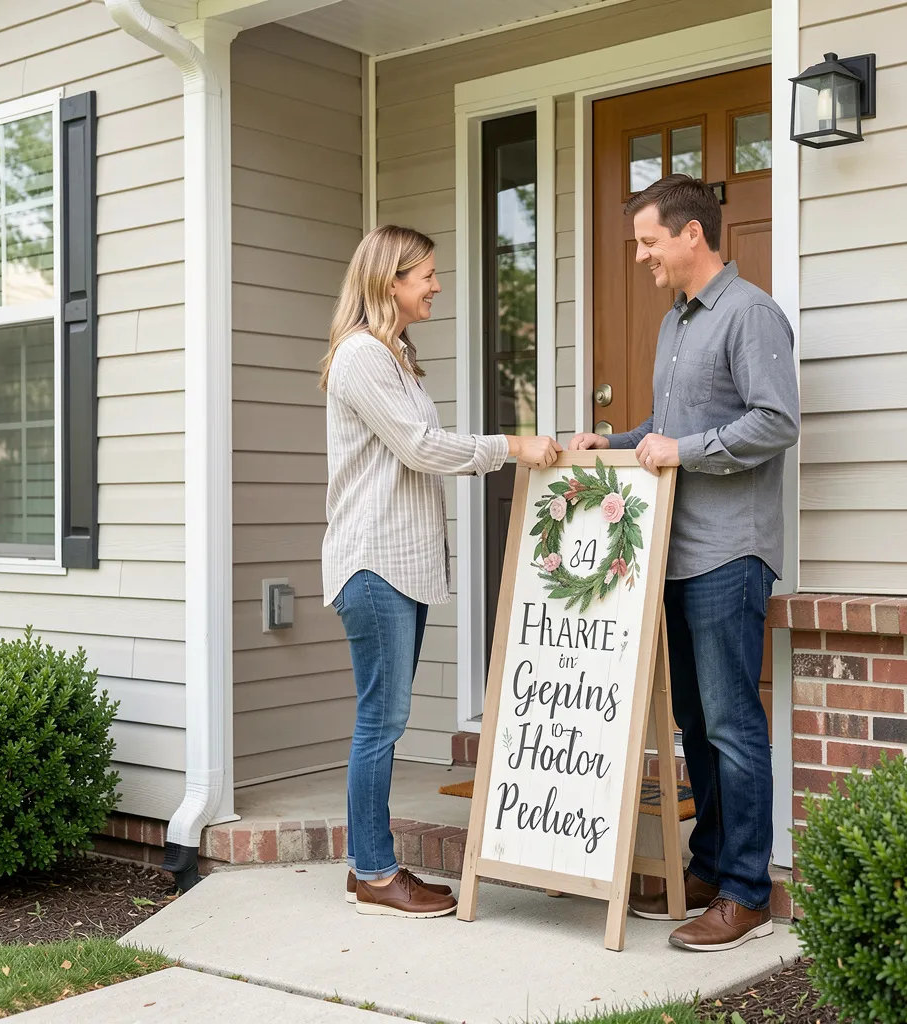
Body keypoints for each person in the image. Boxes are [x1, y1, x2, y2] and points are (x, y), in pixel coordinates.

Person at [570, 175, 799, 952]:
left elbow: (776, 421)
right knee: (694, 721)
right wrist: (620, 442)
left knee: (734, 723)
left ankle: (746, 891)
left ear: (691, 235)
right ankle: (707, 867)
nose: (641, 257)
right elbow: (670, 428)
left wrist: (682, 449)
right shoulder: (676, 324)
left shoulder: (752, 313)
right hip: (670, 552)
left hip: (730, 552)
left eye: (647, 241)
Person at [319, 224, 561, 919]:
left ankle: (367, 864)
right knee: (382, 721)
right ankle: (373, 872)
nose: (436, 285)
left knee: (382, 718)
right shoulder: (363, 356)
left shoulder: (393, 356)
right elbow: (421, 447)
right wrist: (510, 445)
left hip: (400, 564)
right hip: (373, 564)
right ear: (389, 280)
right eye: (426, 274)